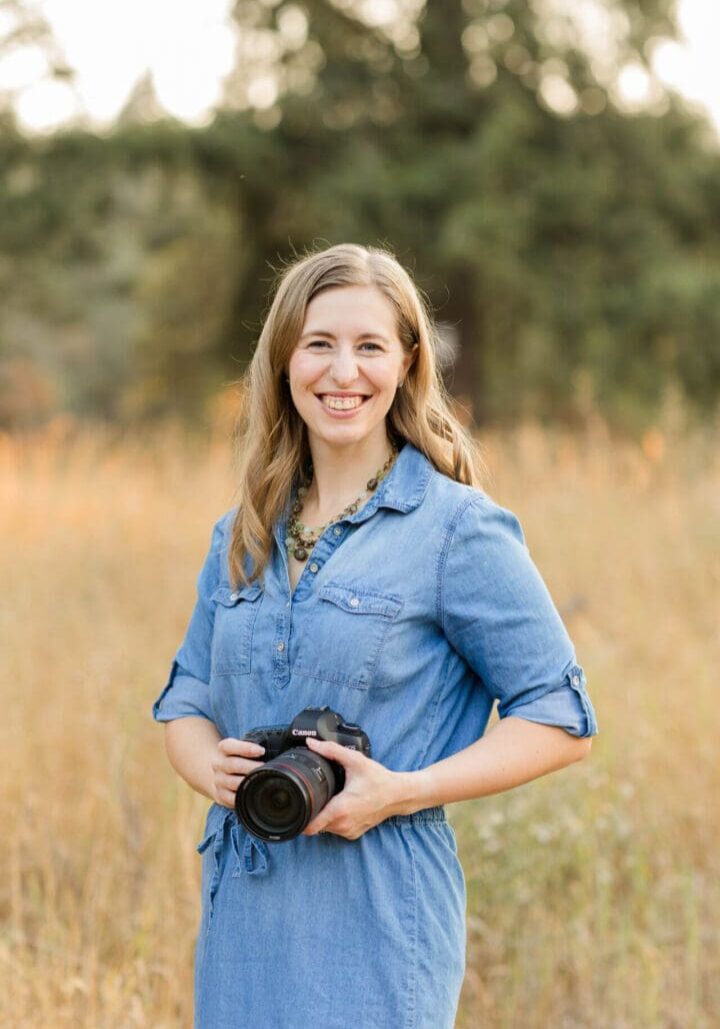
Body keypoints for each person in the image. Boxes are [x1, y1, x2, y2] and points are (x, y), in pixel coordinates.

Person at [152, 242, 599, 1029]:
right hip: (243, 926)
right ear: (285, 359)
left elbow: (561, 720)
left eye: (369, 347)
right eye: (319, 343)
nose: (342, 371)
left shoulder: (456, 528)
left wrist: (401, 789)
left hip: (380, 920)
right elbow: (185, 699)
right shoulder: (244, 532)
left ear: (406, 364)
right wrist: (211, 771)